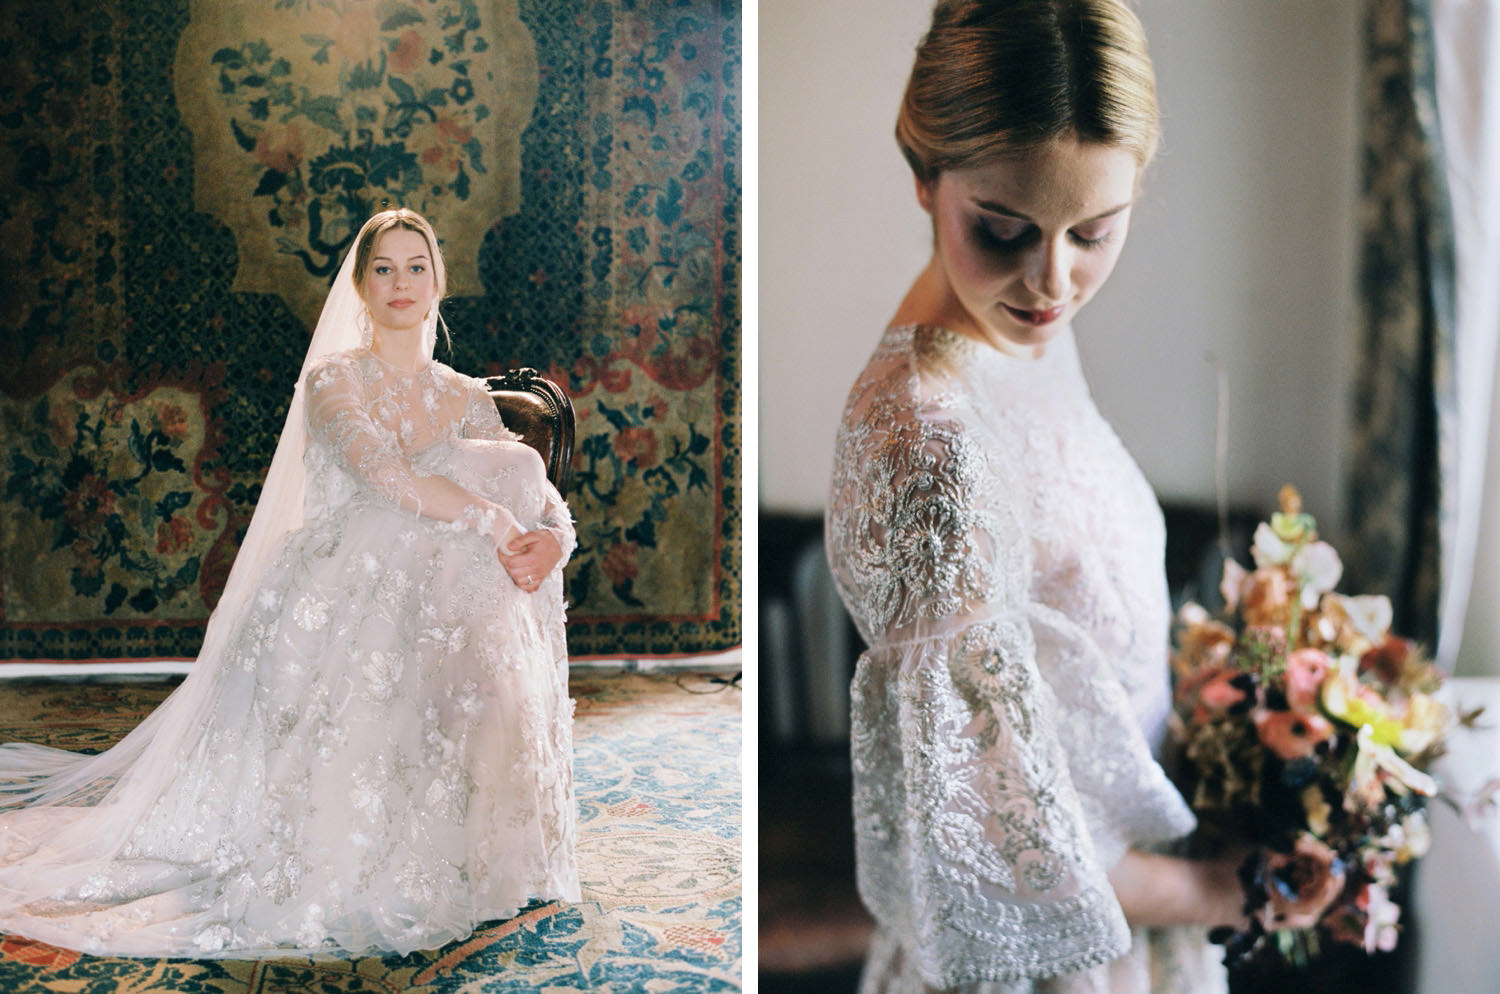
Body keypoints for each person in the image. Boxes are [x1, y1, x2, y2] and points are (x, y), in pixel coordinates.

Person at [823, 2, 1322, 991]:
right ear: (924, 174)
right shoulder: (930, 446)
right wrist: (1240, 890)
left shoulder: (1019, 327)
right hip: (1065, 951)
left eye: (1093, 230)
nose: (1053, 280)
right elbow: (1006, 856)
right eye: (1002, 229)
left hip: (1151, 885)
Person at [0, 208, 579, 957]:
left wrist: (553, 540)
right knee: (464, 537)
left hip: (445, 583)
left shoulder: (466, 396)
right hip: (345, 580)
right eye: (383, 269)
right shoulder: (335, 380)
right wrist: (493, 520)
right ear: (361, 287)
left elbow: (533, 493)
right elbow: (384, 476)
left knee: (501, 502)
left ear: (438, 281)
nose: (400, 282)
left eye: (416, 267)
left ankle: (483, 835)